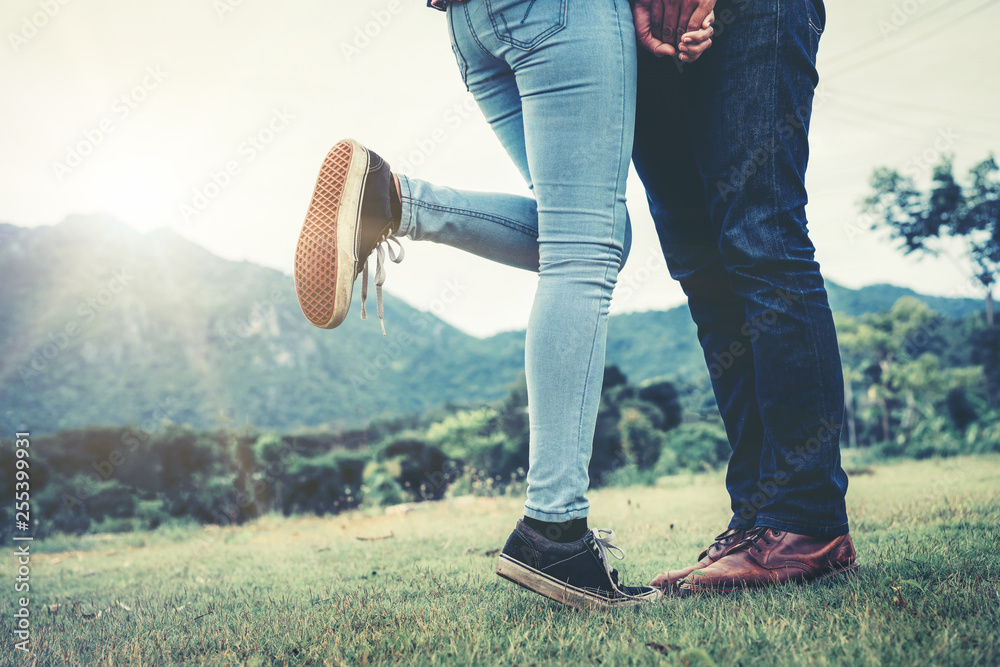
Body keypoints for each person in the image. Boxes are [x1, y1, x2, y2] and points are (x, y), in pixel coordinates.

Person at [293, 0, 713, 609]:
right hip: (567, 15)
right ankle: (555, 529)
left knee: (593, 236)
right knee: (585, 249)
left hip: (471, 24)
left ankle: (394, 202)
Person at [629, 0, 859, 594]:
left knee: (762, 236)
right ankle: (759, 520)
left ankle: (806, 519)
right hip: (642, 31)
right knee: (705, 273)